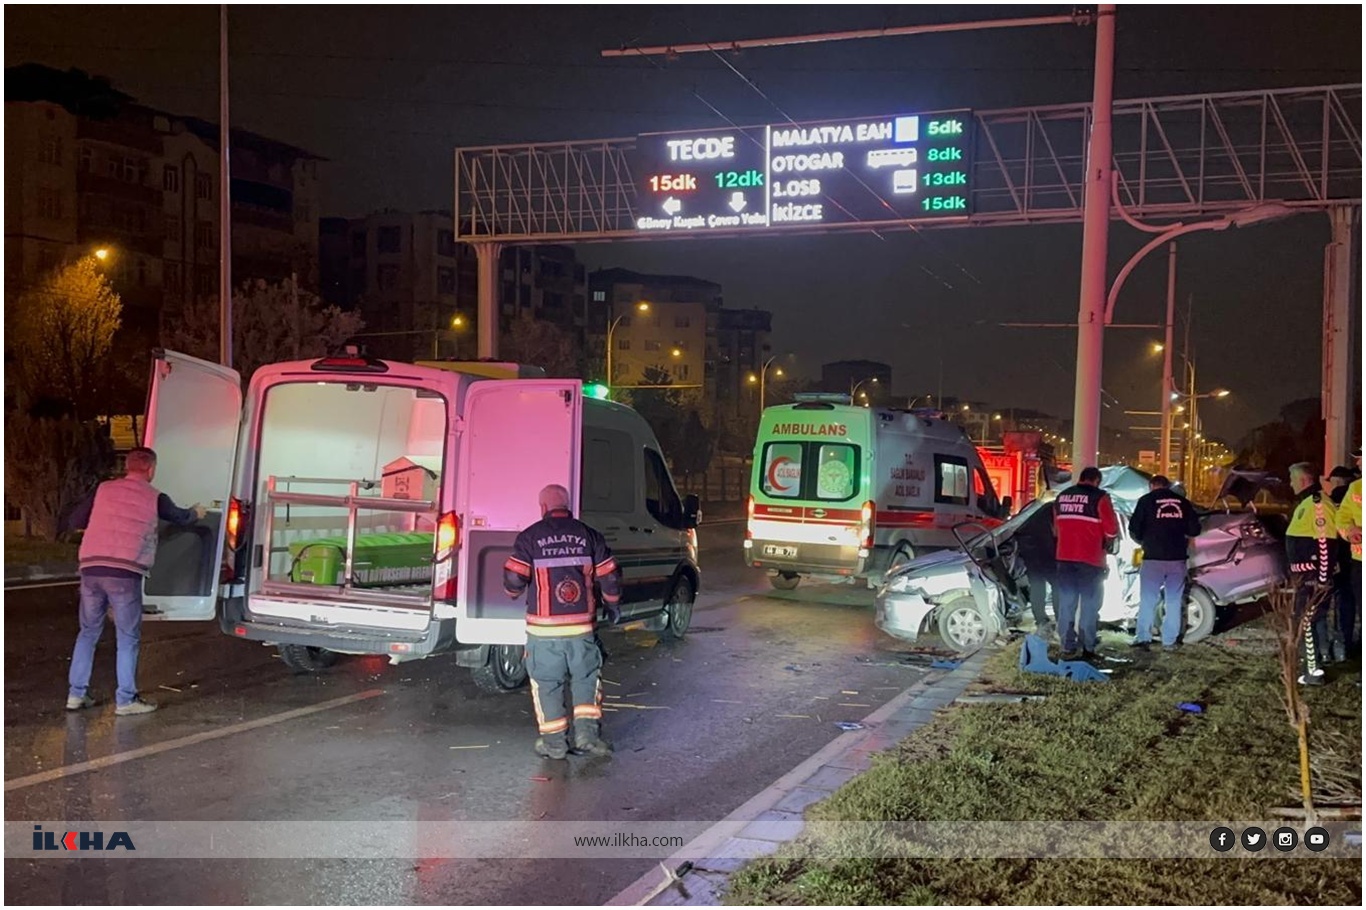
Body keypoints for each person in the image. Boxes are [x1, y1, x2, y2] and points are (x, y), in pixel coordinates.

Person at [65, 447, 206, 715]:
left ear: (126, 466)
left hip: (91, 568)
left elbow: (75, 519)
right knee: (127, 637)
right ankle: (126, 700)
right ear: (151, 469)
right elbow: (182, 518)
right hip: (124, 573)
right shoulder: (155, 497)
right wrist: (197, 512)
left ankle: (75, 695)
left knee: (88, 632)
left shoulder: (103, 489)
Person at [504, 484, 622, 760]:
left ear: (543, 508)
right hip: (581, 629)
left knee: (546, 683)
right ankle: (587, 737)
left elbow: (513, 580)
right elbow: (610, 576)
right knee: (586, 679)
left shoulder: (529, 537)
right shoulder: (588, 535)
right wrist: (613, 604)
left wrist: (513, 592)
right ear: (567, 506)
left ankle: (555, 744)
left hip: (543, 632)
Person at [1052, 466, 1120, 661]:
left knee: (1066, 604)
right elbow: (1112, 530)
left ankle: (1067, 646)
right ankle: (1088, 647)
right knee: (1090, 605)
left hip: (1064, 559)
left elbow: (1056, 530)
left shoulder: (1061, 497)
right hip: (1091, 561)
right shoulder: (1100, 497)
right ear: (1097, 480)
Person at [1128, 475, 1201, 651]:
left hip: (1152, 558)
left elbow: (1134, 529)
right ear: (1167, 486)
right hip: (1176, 558)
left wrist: (1144, 542)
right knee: (1174, 600)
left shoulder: (1145, 501)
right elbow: (1195, 529)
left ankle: (1143, 637)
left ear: (1151, 486)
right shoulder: (1182, 502)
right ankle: (1169, 641)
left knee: (1147, 599)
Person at [1286, 462, 1338, 686]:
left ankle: (1314, 671)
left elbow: (1325, 544)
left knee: (1306, 622)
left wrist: (1322, 579)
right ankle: (1315, 664)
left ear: (1304, 480)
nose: (1290, 484)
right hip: (1306, 576)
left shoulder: (1318, 505)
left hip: (1313, 577)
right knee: (1311, 622)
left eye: (1292, 479)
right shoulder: (1307, 503)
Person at [1015, 499, 1058, 636]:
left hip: (1030, 550)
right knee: (1057, 585)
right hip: (1045, 551)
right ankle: (1059, 618)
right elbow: (1056, 533)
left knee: (1037, 586)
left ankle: (1041, 619)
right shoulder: (1053, 510)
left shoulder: (1037, 508)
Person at [1334, 449, 1362, 660]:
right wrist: (1348, 530)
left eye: (1362, 458)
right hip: (1358, 562)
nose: (1359, 463)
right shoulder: (1356, 487)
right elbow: (1342, 517)